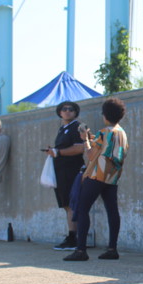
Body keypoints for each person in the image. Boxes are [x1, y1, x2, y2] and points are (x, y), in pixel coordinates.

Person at [64, 98, 128, 262]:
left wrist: (85, 139)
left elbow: (91, 155)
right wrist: (91, 138)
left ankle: (81, 250)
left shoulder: (104, 132)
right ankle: (112, 248)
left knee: (82, 209)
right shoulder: (121, 132)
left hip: (97, 175)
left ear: (105, 115)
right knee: (112, 210)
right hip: (112, 176)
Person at [46, 101, 90, 251]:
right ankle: (72, 237)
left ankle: (74, 238)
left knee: (72, 204)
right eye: (64, 109)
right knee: (66, 204)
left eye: (71, 109)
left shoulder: (77, 127)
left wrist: (58, 152)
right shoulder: (62, 129)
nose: (67, 111)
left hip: (72, 171)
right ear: (60, 112)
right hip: (61, 171)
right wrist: (53, 151)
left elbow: (80, 148)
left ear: (75, 112)